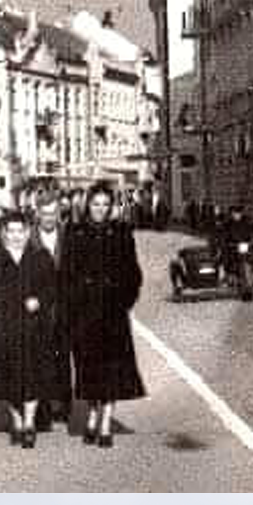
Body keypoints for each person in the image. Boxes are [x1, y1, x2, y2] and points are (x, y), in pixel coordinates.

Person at [63, 181, 146, 447]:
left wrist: (124, 301)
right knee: (88, 368)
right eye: (95, 204)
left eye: (104, 205)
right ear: (88, 205)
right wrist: (74, 304)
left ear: (111, 207)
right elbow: (66, 273)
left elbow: (133, 273)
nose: (99, 209)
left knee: (112, 370)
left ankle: (106, 422)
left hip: (112, 315)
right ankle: (91, 416)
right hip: (84, 314)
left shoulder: (121, 232)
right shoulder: (75, 233)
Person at [0, 212, 58, 448]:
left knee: (32, 376)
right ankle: (17, 421)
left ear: (28, 232)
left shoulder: (41, 258)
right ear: (3, 234)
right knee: (9, 378)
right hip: (4, 328)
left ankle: (30, 422)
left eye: (19, 231)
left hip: (33, 328)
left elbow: (52, 289)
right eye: (10, 232)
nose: (15, 236)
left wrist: (39, 300)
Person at [32, 194, 73, 423]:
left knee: (63, 357)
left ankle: (64, 404)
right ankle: (43, 407)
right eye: (45, 213)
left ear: (59, 214)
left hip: (63, 308)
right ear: (38, 213)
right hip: (37, 309)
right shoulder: (28, 237)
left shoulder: (68, 237)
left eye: (53, 213)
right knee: (39, 357)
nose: (49, 218)